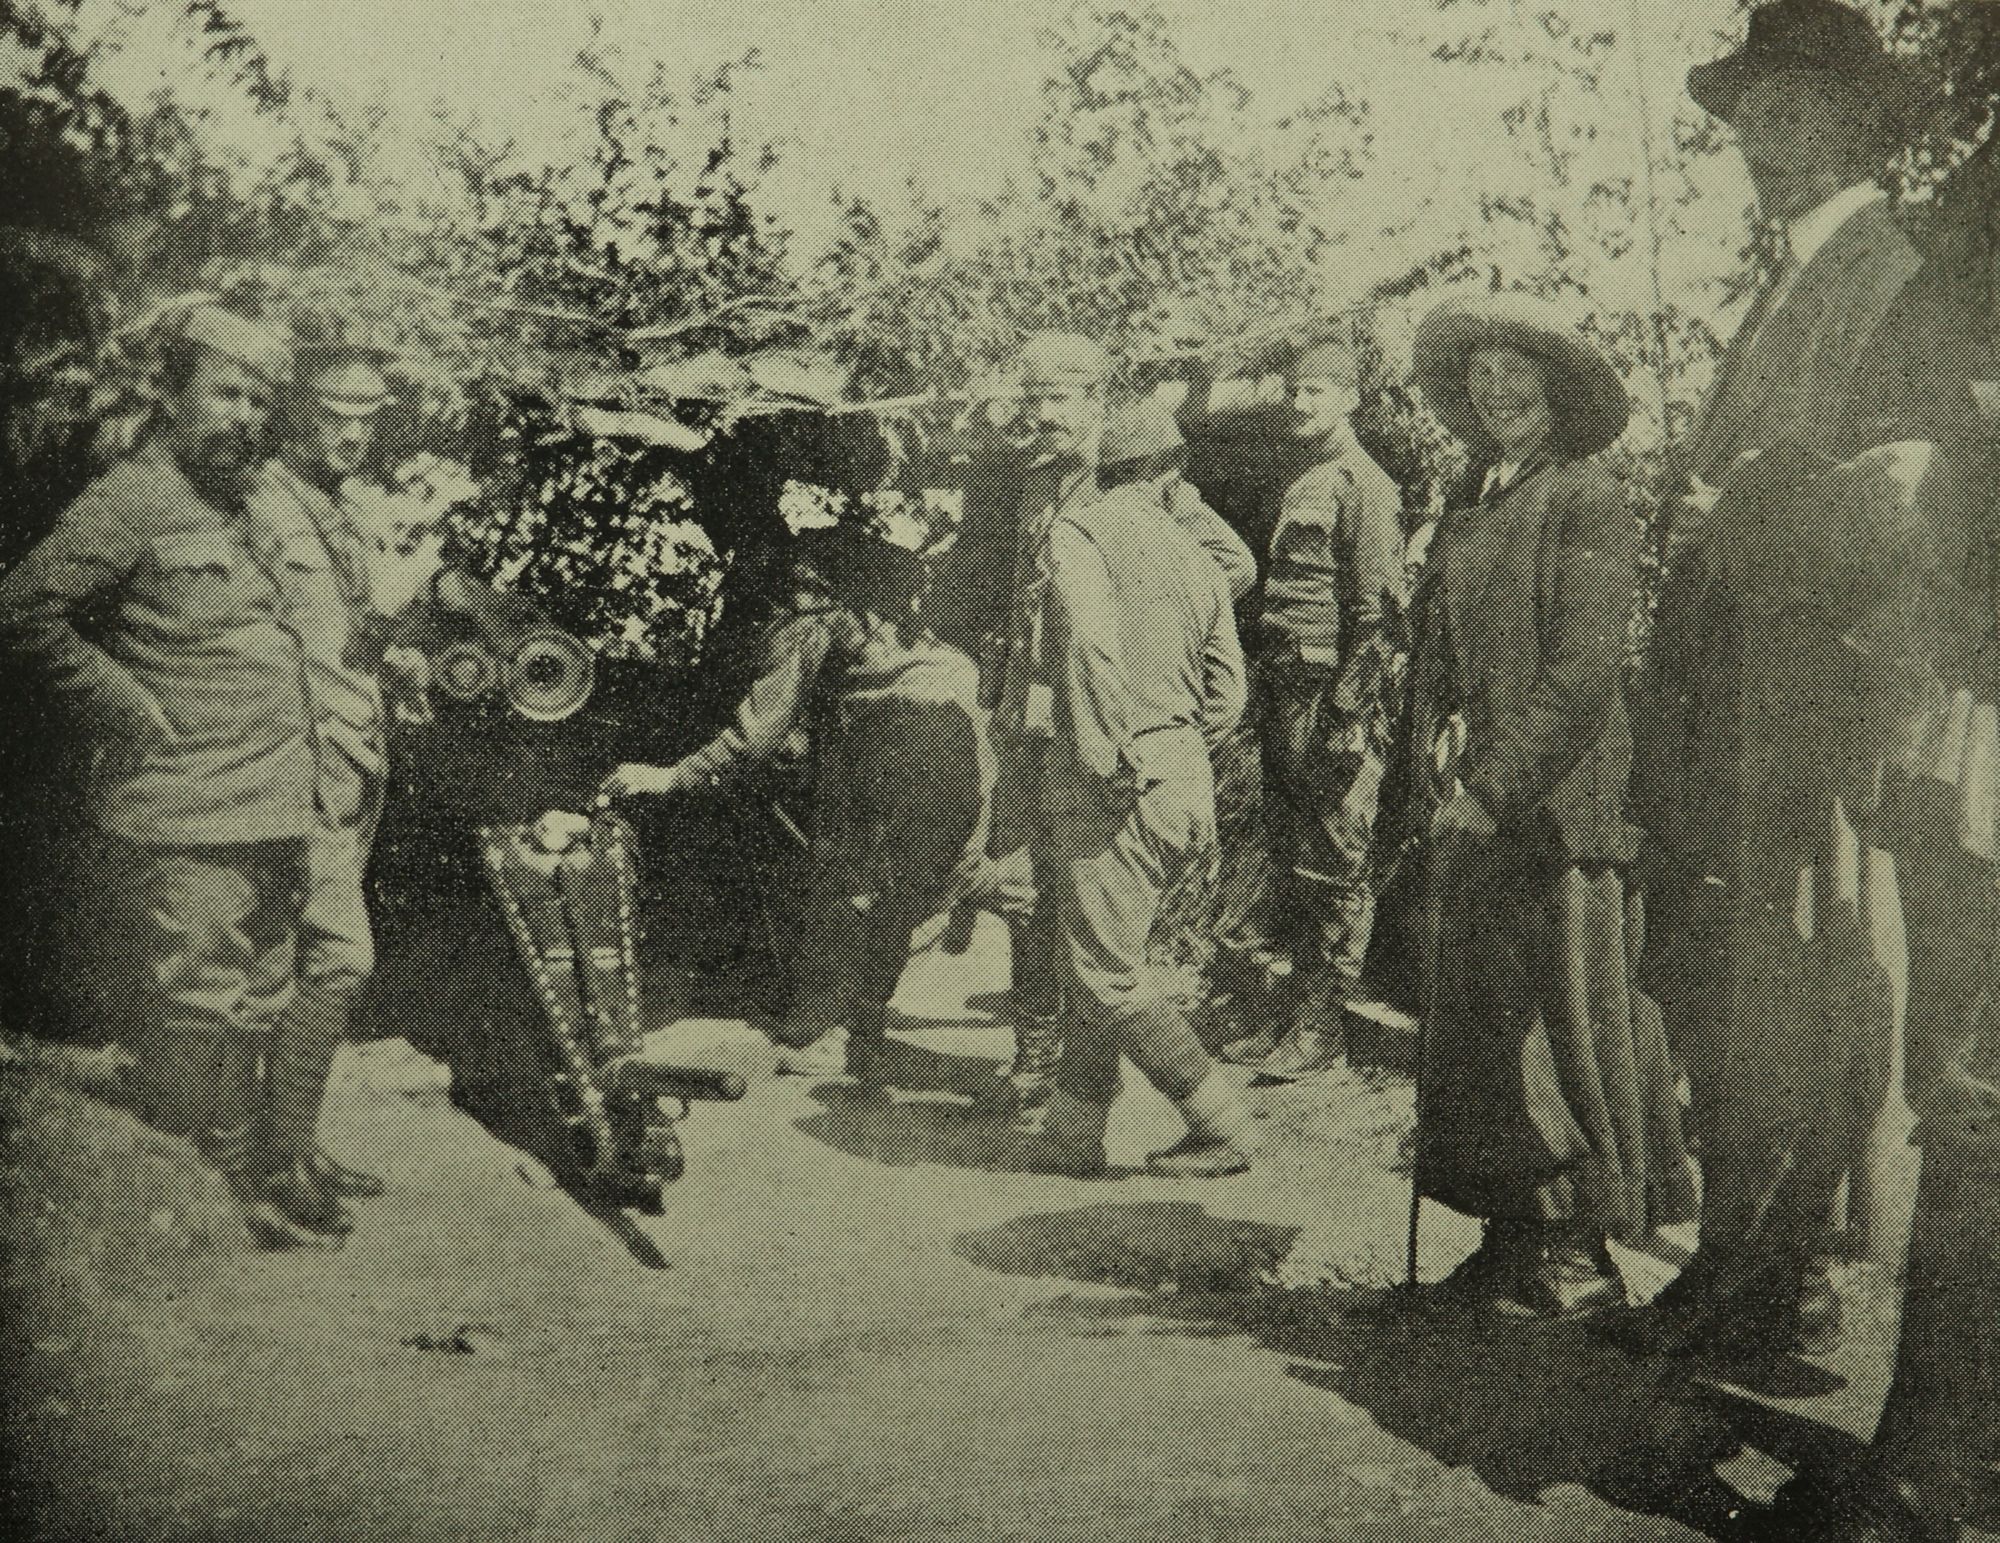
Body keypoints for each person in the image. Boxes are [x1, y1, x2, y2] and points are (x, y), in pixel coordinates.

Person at [1616, 0, 1934, 1363]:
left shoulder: (1894, 275)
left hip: (1822, 696)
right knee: (1743, 974)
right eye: (1751, 114)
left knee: (1809, 975)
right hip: (1737, 692)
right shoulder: (1793, 273)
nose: (1765, 135)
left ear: (1860, 117)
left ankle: (1771, 1267)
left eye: (1796, 107)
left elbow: (1899, 501)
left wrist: (1727, 511)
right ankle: (1757, 1261)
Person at [0, 303, 338, 1249]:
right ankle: (223, 1181)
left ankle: (263, 1164)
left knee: (266, 989)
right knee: (200, 997)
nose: (245, 416)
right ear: (175, 397)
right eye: (227, 393)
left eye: (260, 400)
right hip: (190, 809)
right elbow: (22, 611)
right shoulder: (129, 499)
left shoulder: (245, 502)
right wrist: (123, 701)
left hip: (274, 802)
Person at [1395, 293, 1692, 1317]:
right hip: (1481, 804)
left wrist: (1493, 785)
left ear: (1556, 389)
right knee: (1483, 1027)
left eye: (1515, 371)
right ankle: (1511, 1232)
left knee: (1563, 1025)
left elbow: (1579, 672)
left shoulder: (1587, 498)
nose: (1495, 390)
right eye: (1477, 375)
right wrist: (1426, 745)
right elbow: (1445, 646)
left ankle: (1582, 1252)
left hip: (1558, 808)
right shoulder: (1478, 493)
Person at [943, 342, 1254, 1115]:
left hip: (1102, 722)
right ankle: (1038, 1054)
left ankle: (1095, 1088)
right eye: (1032, 398)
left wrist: (1142, 645)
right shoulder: (1036, 480)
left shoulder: (1135, 473)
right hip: (1036, 715)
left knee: (1085, 905)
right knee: (1024, 886)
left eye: (1059, 398)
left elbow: (1229, 565)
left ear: (1095, 400)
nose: (1041, 414)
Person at [600, 519, 994, 1090]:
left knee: (871, 900)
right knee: (886, 903)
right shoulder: (916, 657)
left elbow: (754, 737)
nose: (797, 602)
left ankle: (846, 1033)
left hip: (921, 816)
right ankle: (853, 1033)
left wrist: (672, 776)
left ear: (856, 601)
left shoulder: (905, 662)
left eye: (812, 589)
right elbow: (762, 730)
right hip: (914, 819)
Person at [245, 343, 445, 1231]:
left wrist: (390, 654)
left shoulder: (331, 509)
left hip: (355, 760)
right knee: (337, 957)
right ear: (294, 408)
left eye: (369, 414)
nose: (353, 432)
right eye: (335, 411)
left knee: (294, 959)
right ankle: (275, 1161)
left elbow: (339, 634)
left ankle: (293, 1138)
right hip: (300, 767)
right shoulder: (253, 504)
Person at [1212, 329, 1407, 1078]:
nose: (1300, 403)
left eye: (1316, 391)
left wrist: (1350, 717)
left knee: (1335, 860)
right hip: (1284, 685)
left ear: (1350, 399)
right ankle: (1291, 1019)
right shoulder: (1306, 478)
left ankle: (1322, 1030)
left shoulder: (1366, 485)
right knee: (1294, 859)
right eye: (1295, 390)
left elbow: (1375, 613)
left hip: (1328, 697)